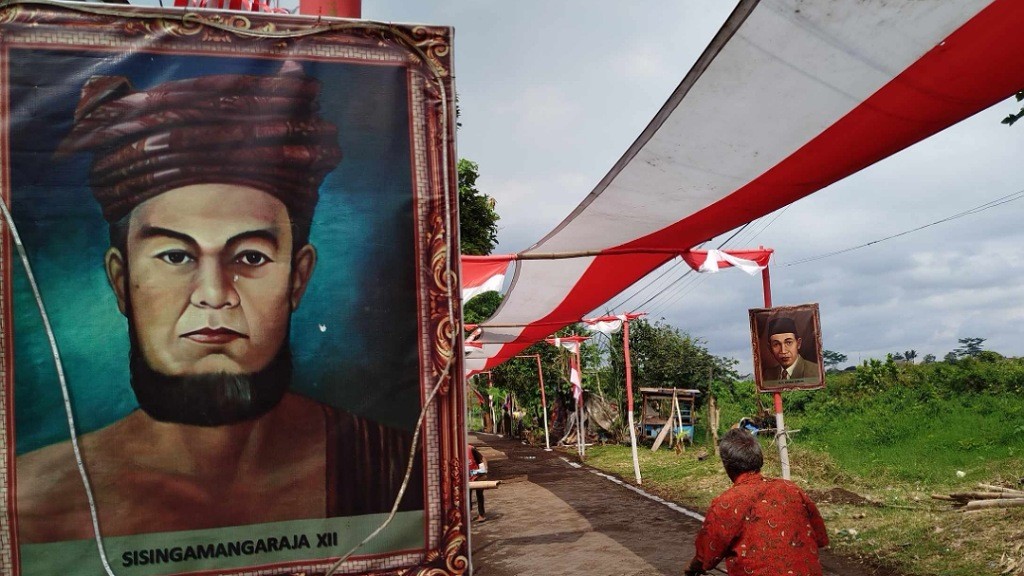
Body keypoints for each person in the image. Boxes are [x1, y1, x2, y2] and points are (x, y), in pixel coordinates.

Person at [15, 62, 422, 544]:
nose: (213, 293)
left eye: (250, 256)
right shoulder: (34, 504)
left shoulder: (395, 473)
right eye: (175, 255)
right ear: (121, 281)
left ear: (298, 277)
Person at [684, 428, 828, 576]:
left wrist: (691, 568)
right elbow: (820, 538)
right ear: (759, 459)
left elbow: (706, 556)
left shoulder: (726, 503)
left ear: (727, 466)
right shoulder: (792, 489)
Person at [763, 316, 820, 382]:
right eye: (776, 344)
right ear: (770, 348)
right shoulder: (767, 375)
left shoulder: (816, 372)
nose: (783, 351)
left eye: (788, 342)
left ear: (798, 343)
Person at [467, 444, 488, 522]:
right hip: (466, 478)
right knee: (467, 497)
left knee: (479, 495)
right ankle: (468, 514)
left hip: (477, 476)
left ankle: (481, 514)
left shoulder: (471, 449)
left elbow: (482, 458)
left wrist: (484, 470)